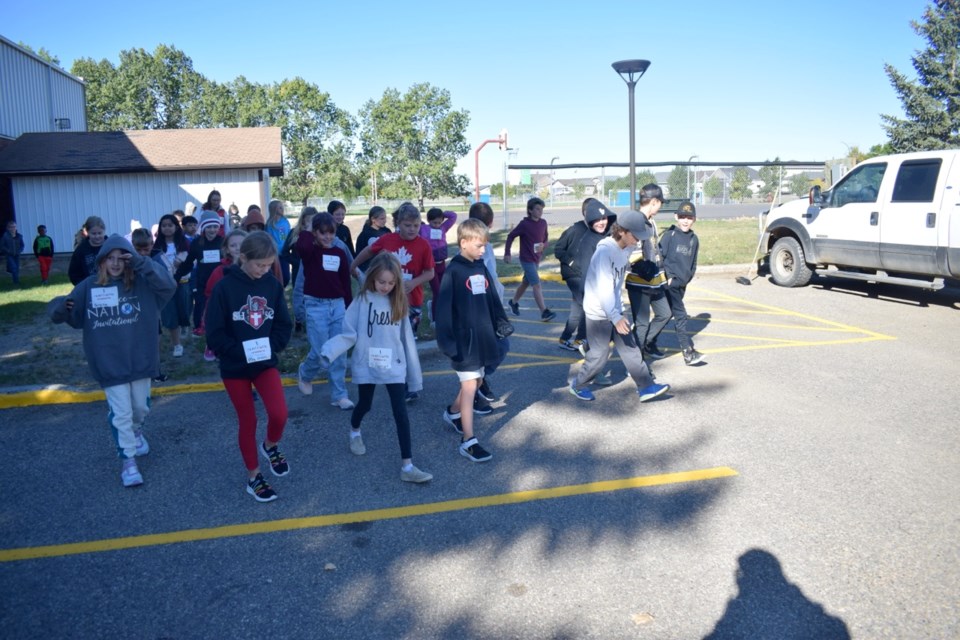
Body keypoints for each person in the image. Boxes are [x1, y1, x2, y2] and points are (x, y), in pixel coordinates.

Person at [49, 234, 176, 486]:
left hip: (140, 359)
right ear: (101, 261)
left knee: (140, 408)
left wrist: (140, 262)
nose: (116, 264)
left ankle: (137, 432)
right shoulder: (89, 286)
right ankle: (128, 463)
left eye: (122, 258)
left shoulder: (143, 284)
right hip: (109, 362)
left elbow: (169, 286)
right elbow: (65, 315)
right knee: (121, 413)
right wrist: (63, 307)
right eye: (110, 258)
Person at [321, 252, 433, 483]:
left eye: (391, 283)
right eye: (382, 281)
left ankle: (408, 466)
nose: (386, 287)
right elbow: (348, 333)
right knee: (365, 404)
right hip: (367, 362)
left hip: (393, 364)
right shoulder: (362, 301)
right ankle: (354, 430)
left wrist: (413, 374)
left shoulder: (398, 300)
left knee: (400, 412)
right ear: (372, 277)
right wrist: (329, 352)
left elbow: (406, 339)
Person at [204, 231, 293, 503]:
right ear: (243, 258)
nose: (264, 271)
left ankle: (270, 446)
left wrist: (271, 346)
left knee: (279, 414)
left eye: (269, 265)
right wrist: (239, 352)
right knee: (248, 420)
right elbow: (215, 333)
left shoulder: (272, 285)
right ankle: (254, 477)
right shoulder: (224, 288)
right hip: (235, 367)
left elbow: (283, 324)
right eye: (259, 265)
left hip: (264, 362)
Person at [569, 209, 670, 403]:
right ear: (622, 231)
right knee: (600, 355)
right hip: (599, 311)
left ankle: (646, 387)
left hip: (615, 308)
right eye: (635, 236)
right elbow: (604, 287)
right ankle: (578, 384)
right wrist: (614, 316)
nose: (638, 241)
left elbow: (619, 273)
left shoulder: (627, 247)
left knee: (631, 349)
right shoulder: (604, 252)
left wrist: (636, 267)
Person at [435, 218, 509, 463]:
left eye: (485, 245)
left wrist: (501, 321)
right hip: (463, 342)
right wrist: (447, 343)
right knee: (469, 386)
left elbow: (492, 299)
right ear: (463, 242)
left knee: (477, 381)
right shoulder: (453, 271)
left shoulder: (480, 267)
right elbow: (443, 310)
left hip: (484, 337)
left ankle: (453, 413)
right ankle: (468, 441)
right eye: (479, 245)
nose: (483, 250)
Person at [296, 212, 354, 410]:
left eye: (331, 233)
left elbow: (345, 282)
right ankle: (305, 373)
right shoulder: (310, 252)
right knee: (322, 352)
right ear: (315, 233)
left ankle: (339, 394)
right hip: (315, 305)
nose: (328, 237)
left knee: (338, 351)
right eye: (323, 233)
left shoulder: (338, 253)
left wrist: (349, 306)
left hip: (337, 304)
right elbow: (301, 245)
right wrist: (308, 229)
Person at [350, 202, 435, 339]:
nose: (412, 229)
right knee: (386, 335)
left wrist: (413, 283)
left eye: (416, 226)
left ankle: (407, 360)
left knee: (408, 338)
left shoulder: (423, 245)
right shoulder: (388, 239)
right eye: (407, 225)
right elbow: (369, 251)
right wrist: (353, 265)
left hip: (411, 299)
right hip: (386, 296)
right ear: (398, 224)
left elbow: (430, 272)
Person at [553, 198, 615, 351]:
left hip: (587, 273)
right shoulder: (575, 229)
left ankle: (564, 338)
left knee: (577, 309)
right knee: (587, 305)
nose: (598, 219)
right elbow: (558, 249)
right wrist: (572, 262)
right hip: (573, 275)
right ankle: (580, 340)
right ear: (584, 213)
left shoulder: (601, 231)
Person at [466, 201, 508, 409]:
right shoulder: (464, 258)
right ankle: (471, 396)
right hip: (476, 313)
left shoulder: (487, 248)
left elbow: (492, 278)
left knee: (501, 347)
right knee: (477, 357)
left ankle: (481, 381)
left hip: (491, 309)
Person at [626, 184, 672, 359]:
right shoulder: (635, 221)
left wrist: (662, 274)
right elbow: (630, 252)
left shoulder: (651, 221)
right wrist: (643, 267)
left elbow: (654, 250)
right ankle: (636, 362)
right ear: (653, 202)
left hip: (655, 281)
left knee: (665, 314)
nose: (661, 206)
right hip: (639, 282)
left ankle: (642, 345)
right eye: (660, 202)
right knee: (642, 323)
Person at [659, 201, 704, 366]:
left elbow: (693, 262)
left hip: (682, 284)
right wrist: (669, 276)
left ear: (694, 219)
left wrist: (689, 276)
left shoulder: (694, 239)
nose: (685, 221)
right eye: (682, 217)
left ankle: (645, 343)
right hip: (670, 284)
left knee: (664, 316)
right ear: (676, 217)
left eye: (689, 217)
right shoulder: (669, 235)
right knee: (681, 316)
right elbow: (659, 257)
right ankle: (688, 352)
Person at [174, 211, 224, 353]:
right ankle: (209, 343)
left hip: (221, 283)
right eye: (209, 227)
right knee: (206, 313)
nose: (212, 230)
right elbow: (188, 263)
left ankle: (220, 343)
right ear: (203, 228)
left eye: (215, 226)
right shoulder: (197, 243)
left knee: (221, 314)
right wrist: (177, 276)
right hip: (203, 284)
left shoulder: (222, 242)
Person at [504, 197, 555, 321]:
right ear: (530, 210)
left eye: (541, 209)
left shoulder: (543, 223)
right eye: (537, 209)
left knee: (526, 282)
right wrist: (507, 253)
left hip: (536, 258)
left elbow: (545, 239)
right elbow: (511, 236)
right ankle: (544, 312)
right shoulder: (524, 224)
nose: (540, 211)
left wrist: (544, 245)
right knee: (536, 284)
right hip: (526, 259)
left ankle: (513, 302)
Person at [132, 228, 170, 383]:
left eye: (145, 249)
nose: (142, 252)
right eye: (138, 249)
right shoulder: (129, 259)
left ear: (152, 244)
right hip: (134, 303)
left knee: (155, 338)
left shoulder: (159, 257)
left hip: (153, 305)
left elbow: (168, 276)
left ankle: (155, 369)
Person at [151, 214, 191, 357]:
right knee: (170, 313)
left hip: (182, 283)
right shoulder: (156, 246)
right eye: (164, 225)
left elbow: (190, 261)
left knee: (184, 310)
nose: (167, 228)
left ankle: (184, 325)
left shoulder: (184, 243)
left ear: (176, 226)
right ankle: (177, 344)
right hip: (165, 286)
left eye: (170, 225)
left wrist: (181, 261)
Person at [420, 207, 457, 322]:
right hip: (430, 266)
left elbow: (453, 216)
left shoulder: (443, 228)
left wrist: (442, 213)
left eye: (439, 222)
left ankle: (438, 310)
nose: (436, 225)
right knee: (437, 292)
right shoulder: (423, 229)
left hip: (441, 264)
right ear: (429, 221)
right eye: (434, 222)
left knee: (444, 290)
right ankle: (435, 319)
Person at [68, 216, 107, 285]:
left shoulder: (111, 246)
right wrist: (84, 286)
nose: (97, 236)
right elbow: (74, 273)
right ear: (87, 232)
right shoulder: (81, 250)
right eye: (94, 234)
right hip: (89, 287)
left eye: (99, 233)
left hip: (110, 285)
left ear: (104, 231)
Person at [354, 206, 391, 276]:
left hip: (385, 268)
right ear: (373, 219)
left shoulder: (387, 231)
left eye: (385, 218)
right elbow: (359, 253)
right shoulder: (364, 234)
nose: (385, 221)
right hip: (369, 270)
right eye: (382, 219)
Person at [265, 200, 291, 287]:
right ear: (274, 209)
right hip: (274, 255)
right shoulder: (269, 224)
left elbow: (287, 236)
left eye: (282, 207)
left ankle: (281, 289)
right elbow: (269, 239)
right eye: (279, 207)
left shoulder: (285, 221)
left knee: (286, 277)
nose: (282, 208)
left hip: (284, 253)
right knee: (276, 275)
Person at [1, 220, 25, 286]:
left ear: (16, 227)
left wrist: (20, 250)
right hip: (9, 255)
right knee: (14, 268)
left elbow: (22, 245)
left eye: (14, 227)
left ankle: (15, 279)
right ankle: (16, 282)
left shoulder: (19, 236)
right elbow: (2, 246)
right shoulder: (5, 236)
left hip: (17, 255)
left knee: (16, 268)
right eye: (11, 227)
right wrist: (8, 251)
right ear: (8, 228)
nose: (13, 228)